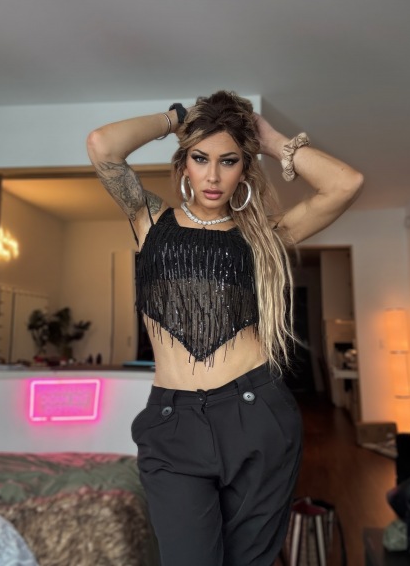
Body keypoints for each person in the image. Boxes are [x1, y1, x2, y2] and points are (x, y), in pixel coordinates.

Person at [86, 91, 363, 566]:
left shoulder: (263, 237)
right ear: (184, 164)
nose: (213, 176)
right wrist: (175, 118)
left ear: (244, 168)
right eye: (201, 158)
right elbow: (102, 145)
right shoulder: (149, 220)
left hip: (256, 415)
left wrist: (271, 141)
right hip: (173, 422)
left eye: (228, 161)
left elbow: (345, 184)